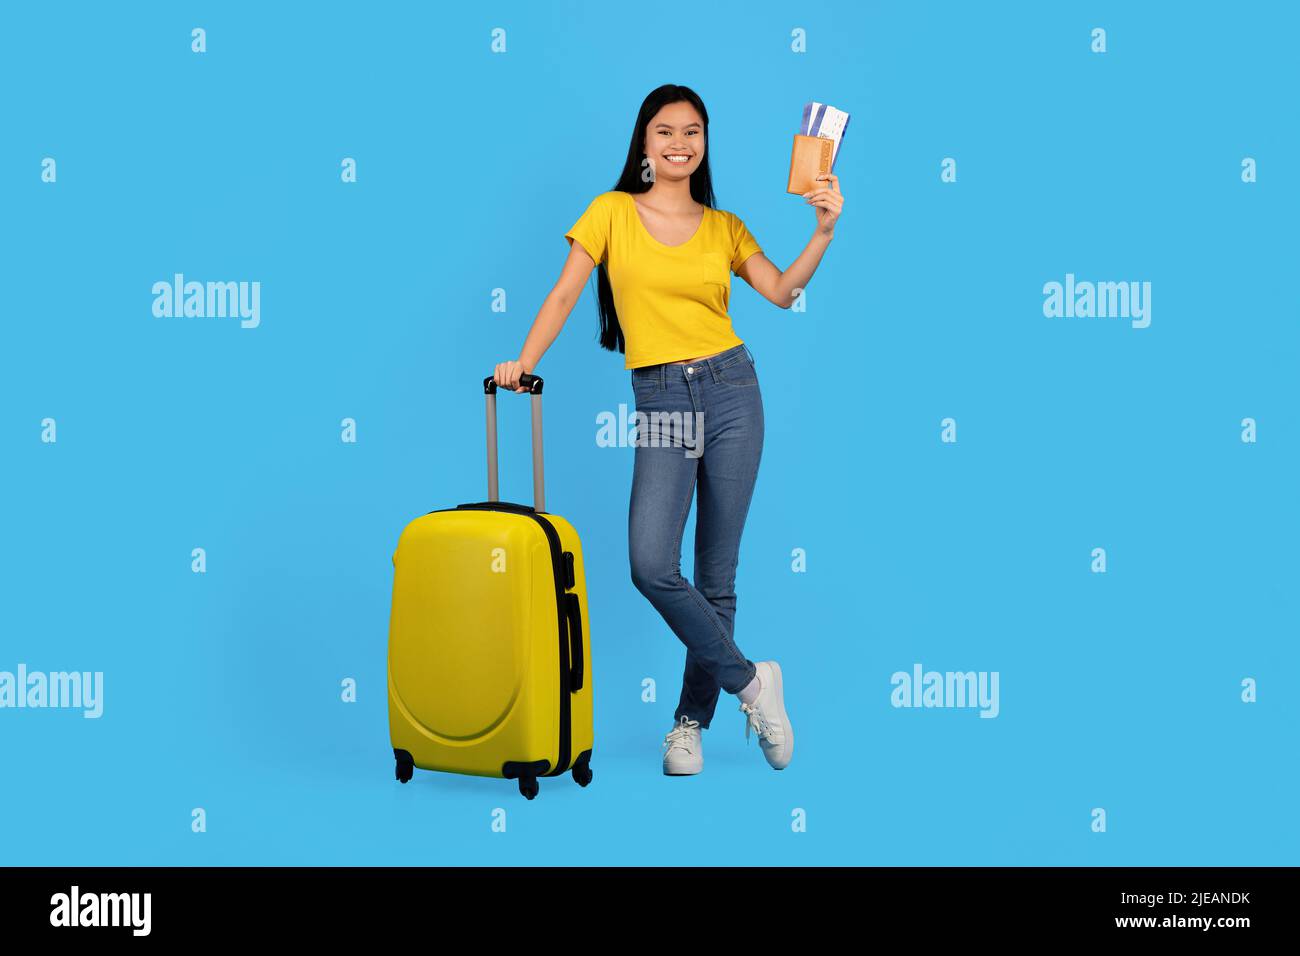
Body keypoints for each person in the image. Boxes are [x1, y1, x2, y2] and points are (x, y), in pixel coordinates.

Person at [493, 84, 843, 776]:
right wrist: (523, 362)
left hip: (734, 389)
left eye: (692, 132)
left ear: (704, 143)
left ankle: (690, 725)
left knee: (718, 575)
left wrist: (824, 231)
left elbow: (781, 292)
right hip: (661, 400)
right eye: (664, 131)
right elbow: (565, 291)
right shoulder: (612, 213)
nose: (679, 143)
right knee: (651, 563)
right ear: (644, 144)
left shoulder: (725, 226)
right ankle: (752, 683)